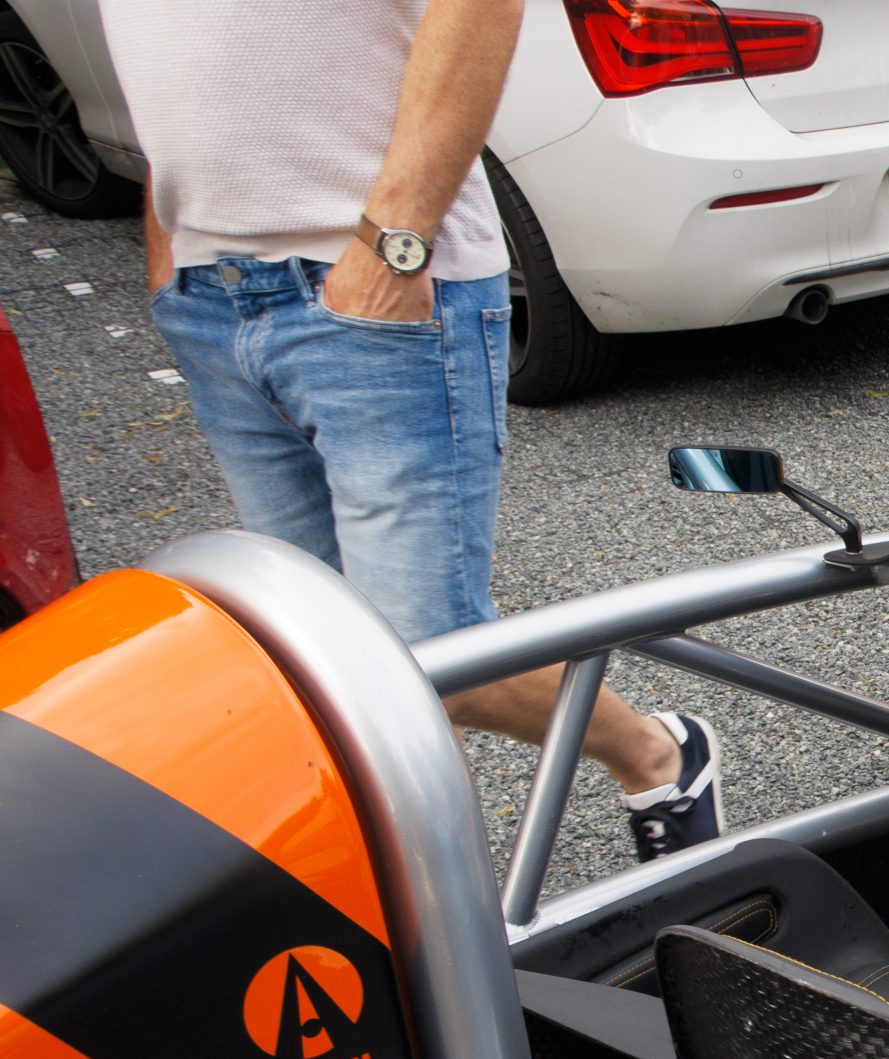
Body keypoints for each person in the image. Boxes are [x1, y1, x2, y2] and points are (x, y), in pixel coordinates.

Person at [105, 0, 724, 862]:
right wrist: (168, 237)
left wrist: (395, 243)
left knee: (424, 656)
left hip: (374, 278)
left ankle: (652, 756)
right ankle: (421, 924)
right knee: (317, 655)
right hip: (209, 287)